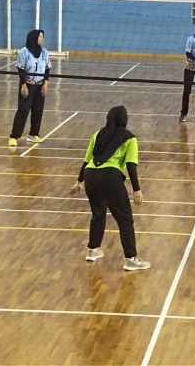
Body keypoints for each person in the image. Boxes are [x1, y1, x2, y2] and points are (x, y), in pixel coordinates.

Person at [70, 106, 150, 271]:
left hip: (90, 175)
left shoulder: (97, 134)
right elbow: (130, 165)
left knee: (98, 214)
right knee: (124, 219)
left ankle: (92, 250)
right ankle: (131, 259)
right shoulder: (129, 138)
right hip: (110, 177)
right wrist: (136, 189)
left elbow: (87, 160)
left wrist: (79, 181)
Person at [9, 30, 50, 147]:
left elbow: (47, 69)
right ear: (34, 38)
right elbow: (21, 69)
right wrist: (23, 85)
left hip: (39, 85)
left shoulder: (45, 53)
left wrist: (45, 84)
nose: (42, 39)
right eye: (40, 37)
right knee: (23, 110)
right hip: (27, 85)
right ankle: (14, 136)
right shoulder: (24, 52)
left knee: (38, 110)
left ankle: (33, 134)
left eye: (43, 37)